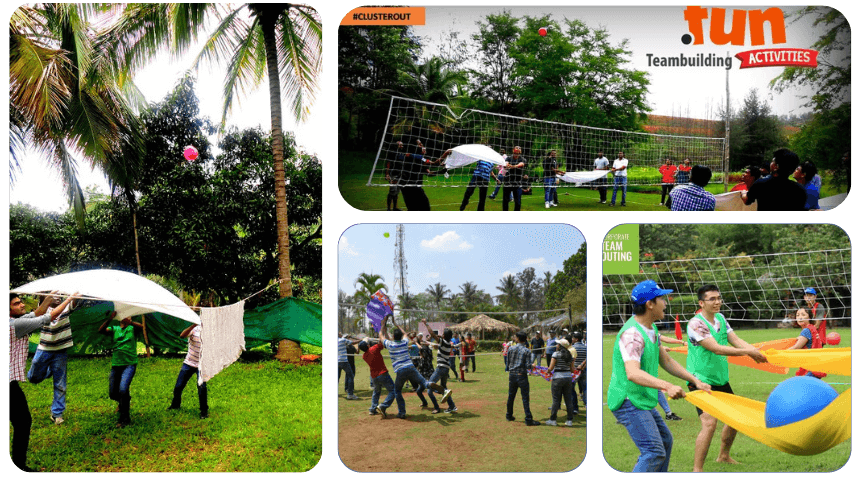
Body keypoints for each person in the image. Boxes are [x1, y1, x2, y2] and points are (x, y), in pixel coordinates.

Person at [607, 280, 710, 472]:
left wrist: (695, 381)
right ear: (649, 304)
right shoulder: (632, 335)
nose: (665, 302)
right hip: (628, 400)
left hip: (641, 398)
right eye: (661, 298)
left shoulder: (651, 328)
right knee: (653, 451)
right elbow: (633, 373)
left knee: (665, 441)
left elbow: (667, 361)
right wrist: (668, 386)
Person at [686, 284, 768, 472]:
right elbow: (716, 348)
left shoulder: (721, 319)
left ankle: (723, 456)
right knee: (709, 423)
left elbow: (736, 340)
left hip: (720, 379)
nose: (717, 302)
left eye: (719, 298)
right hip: (699, 380)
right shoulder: (695, 324)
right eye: (712, 299)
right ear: (701, 303)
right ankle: (697, 469)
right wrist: (748, 352)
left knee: (734, 418)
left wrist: (755, 351)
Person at [10, 291, 78, 472]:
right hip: (11, 383)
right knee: (23, 421)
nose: (22, 305)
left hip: (13, 383)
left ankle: (18, 463)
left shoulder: (17, 320)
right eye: (16, 304)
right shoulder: (16, 324)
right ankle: (18, 464)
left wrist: (52, 295)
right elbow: (47, 316)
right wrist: (69, 298)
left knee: (23, 421)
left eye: (21, 302)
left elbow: (36, 313)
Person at [378, 314, 450, 419]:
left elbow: (381, 335)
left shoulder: (390, 344)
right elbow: (405, 334)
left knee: (397, 391)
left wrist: (383, 324)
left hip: (400, 370)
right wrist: (396, 324)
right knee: (424, 383)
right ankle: (431, 384)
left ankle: (401, 412)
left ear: (393, 337)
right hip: (411, 367)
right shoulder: (404, 342)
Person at [26, 293, 76, 425]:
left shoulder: (66, 307)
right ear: (46, 298)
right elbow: (52, 314)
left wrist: (77, 294)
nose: (58, 297)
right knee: (33, 378)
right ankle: (49, 371)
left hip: (60, 351)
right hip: (44, 349)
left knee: (60, 384)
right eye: (54, 295)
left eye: (60, 295)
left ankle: (57, 414)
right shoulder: (43, 309)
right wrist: (68, 299)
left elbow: (74, 303)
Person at [98, 311, 145, 427]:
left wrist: (131, 322)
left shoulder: (132, 328)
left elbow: (142, 327)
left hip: (130, 364)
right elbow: (101, 330)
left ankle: (125, 419)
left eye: (129, 316)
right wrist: (110, 319)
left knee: (123, 389)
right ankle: (124, 401)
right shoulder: (114, 328)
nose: (126, 317)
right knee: (113, 393)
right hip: (116, 364)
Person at [742, 148, 806, 211]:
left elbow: (747, 200)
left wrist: (743, 193)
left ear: (776, 166)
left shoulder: (761, 184)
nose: (771, 163)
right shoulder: (800, 190)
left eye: (773, 161)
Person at [168, 322, 209, 418]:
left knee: (202, 388)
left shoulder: (210, 331)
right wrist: (193, 325)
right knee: (178, 386)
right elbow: (182, 335)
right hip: (189, 363)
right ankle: (175, 405)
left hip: (202, 365)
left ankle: (204, 411)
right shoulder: (194, 329)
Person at [421, 320, 457, 413]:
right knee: (444, 388)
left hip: (440, 368)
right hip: (446, 368)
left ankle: (437, 408)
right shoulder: (449, 343)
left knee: (430, 387)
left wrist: (426, 323)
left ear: (444, 336)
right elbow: (438, 343)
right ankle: (452, 406)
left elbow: (432, 334)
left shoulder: (443, 342)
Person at [505, 331, 540, 426]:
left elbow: (507, 363)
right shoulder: (527, 351)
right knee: (525, 398)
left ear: (518, 339)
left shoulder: (511, 348)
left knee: (511, 396)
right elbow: (528, 366)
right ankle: (528, 419)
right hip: (521, 376)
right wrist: (532, 365)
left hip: (512, 375)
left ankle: (509, 415)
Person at [359, 338, 396, 416]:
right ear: (368, 345)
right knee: (393, 391)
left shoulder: (364, 356)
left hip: (374, 376)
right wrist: (380, 339)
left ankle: (372, 409)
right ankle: (383, 406)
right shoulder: (374, 348)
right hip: (382, 373)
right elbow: (382, 344)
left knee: (376, 392)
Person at [786, 308, 826, 378]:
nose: (800, 317)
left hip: (811, 368)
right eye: (797, 315)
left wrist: (780, 353)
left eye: (803, 315)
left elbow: (796, 348)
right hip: (816, 366)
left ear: (809, 317)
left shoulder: (806, 331)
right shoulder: (812, 328)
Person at [546, 338, 576, 426]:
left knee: (556, 400)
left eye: (558, 344)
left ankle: (553, 419)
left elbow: (550, 368)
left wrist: (544, 370)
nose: (556, 345)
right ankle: (569, 420)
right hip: (568, 378)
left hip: (557, 378)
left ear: (560, 346)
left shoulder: (556, 354)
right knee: (568, 399)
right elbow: (572, 370)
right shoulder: (570, 355)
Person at [502, 146, 526, 212]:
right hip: (508, 181)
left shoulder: (522, 159)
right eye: (515, 152)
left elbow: (521, 164)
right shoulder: (509, 157)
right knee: (505, 200)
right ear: (513, 151)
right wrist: (508, 165)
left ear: (520, 152)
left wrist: (512, 166)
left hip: (517, 182)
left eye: (518, 152)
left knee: (517, 201)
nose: (516, 154)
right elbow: (506, 164)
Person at [571, 331, 587, 412]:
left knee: (571, 388)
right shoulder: (585, 347)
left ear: (576, 339)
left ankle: (575, 408)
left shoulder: (572, 348)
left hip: (575, 370)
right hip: (584, 370)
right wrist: (582, 365)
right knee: (585, 388)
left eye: (573, 338)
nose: (572, 339)